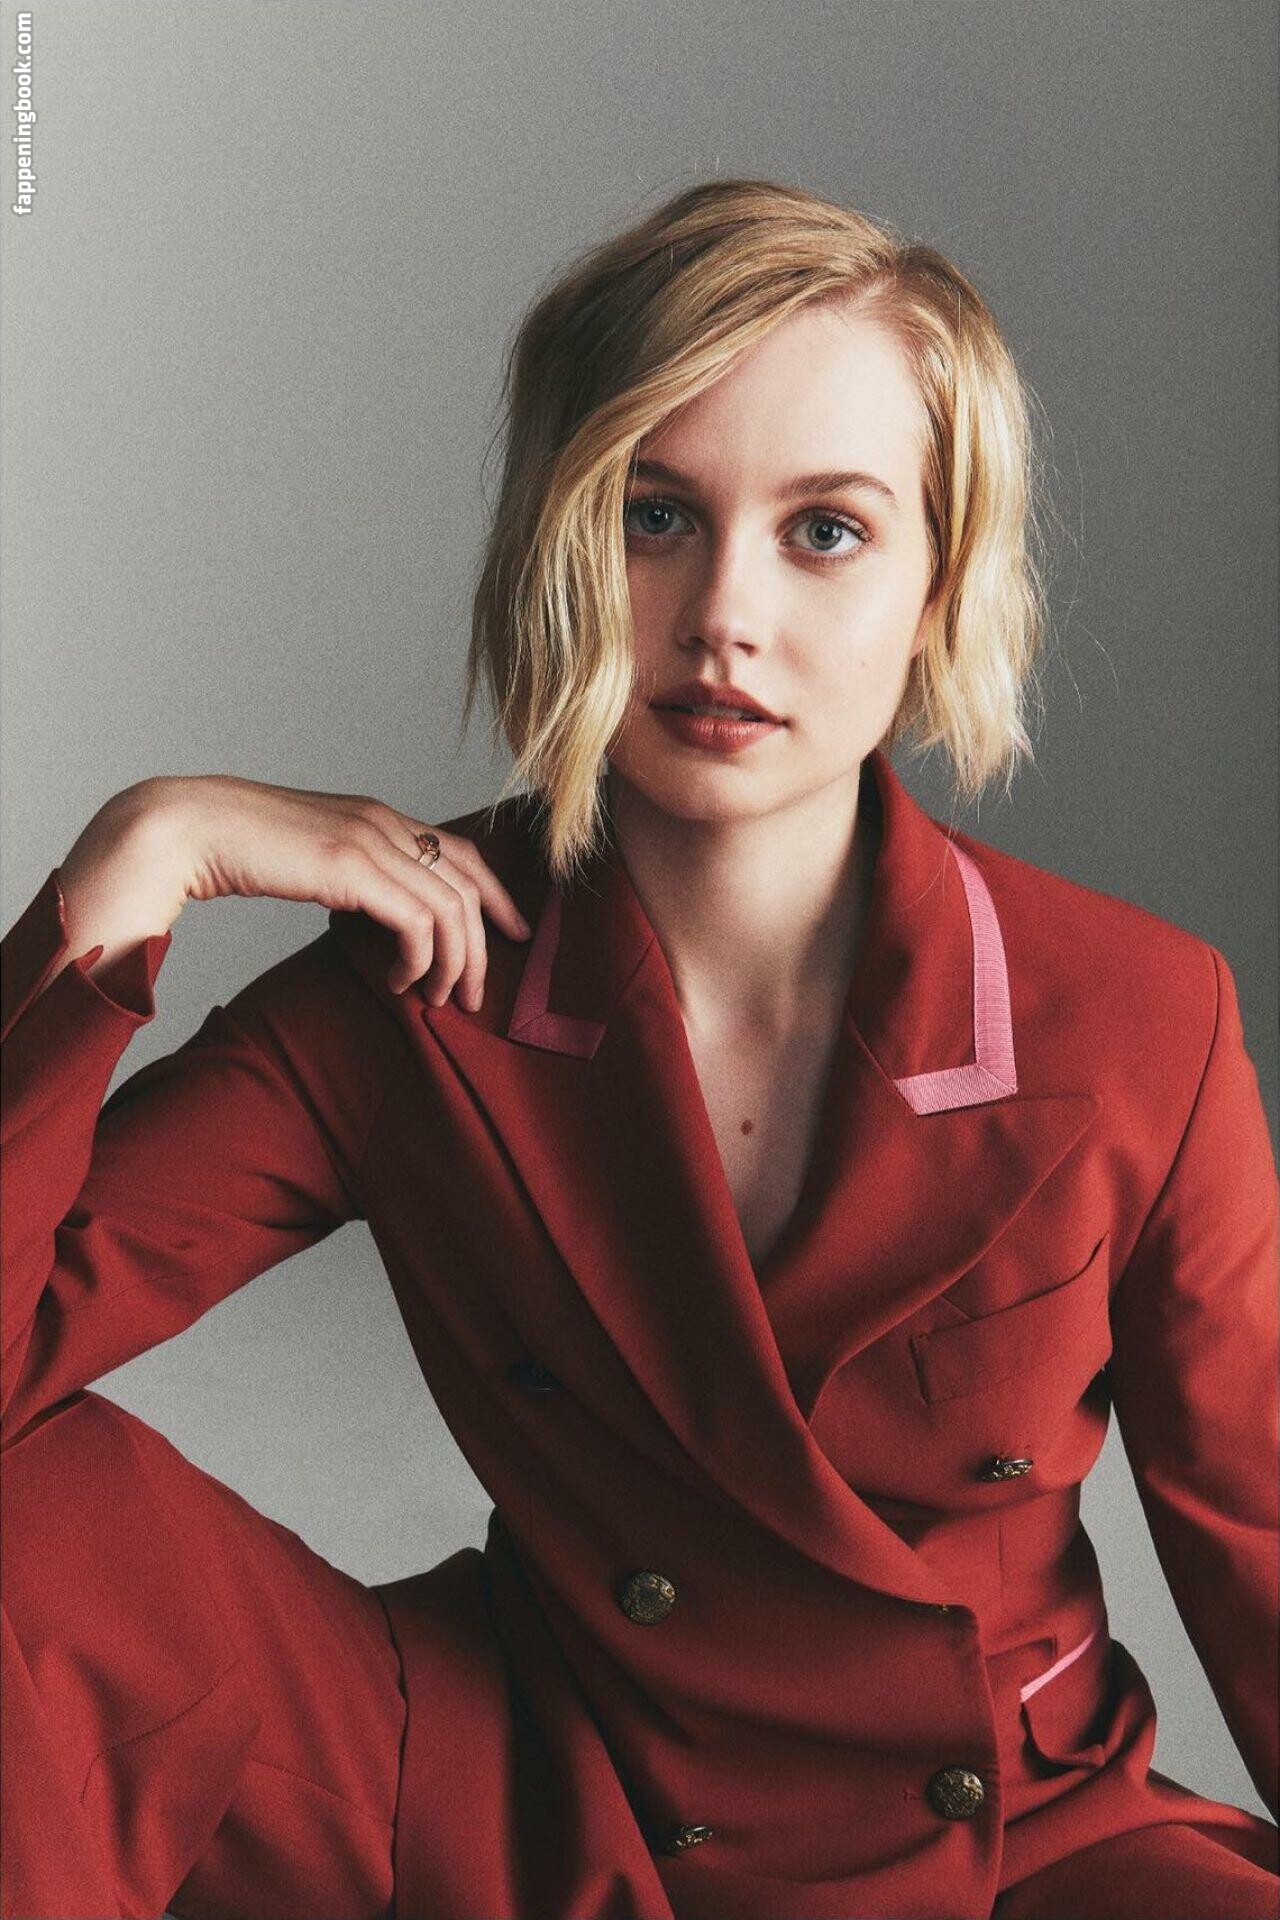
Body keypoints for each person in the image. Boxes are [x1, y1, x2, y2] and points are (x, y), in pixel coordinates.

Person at [1, 177, 1276, 1920]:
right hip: (550, 1810)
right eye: (654, 514)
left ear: (939, 580)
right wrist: (141, 857)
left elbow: (1260, 1540)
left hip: (1020, 1842)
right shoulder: (416, 984)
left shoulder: (1139, 1014)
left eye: (825, 530)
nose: (722, 613)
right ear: (561, 543)